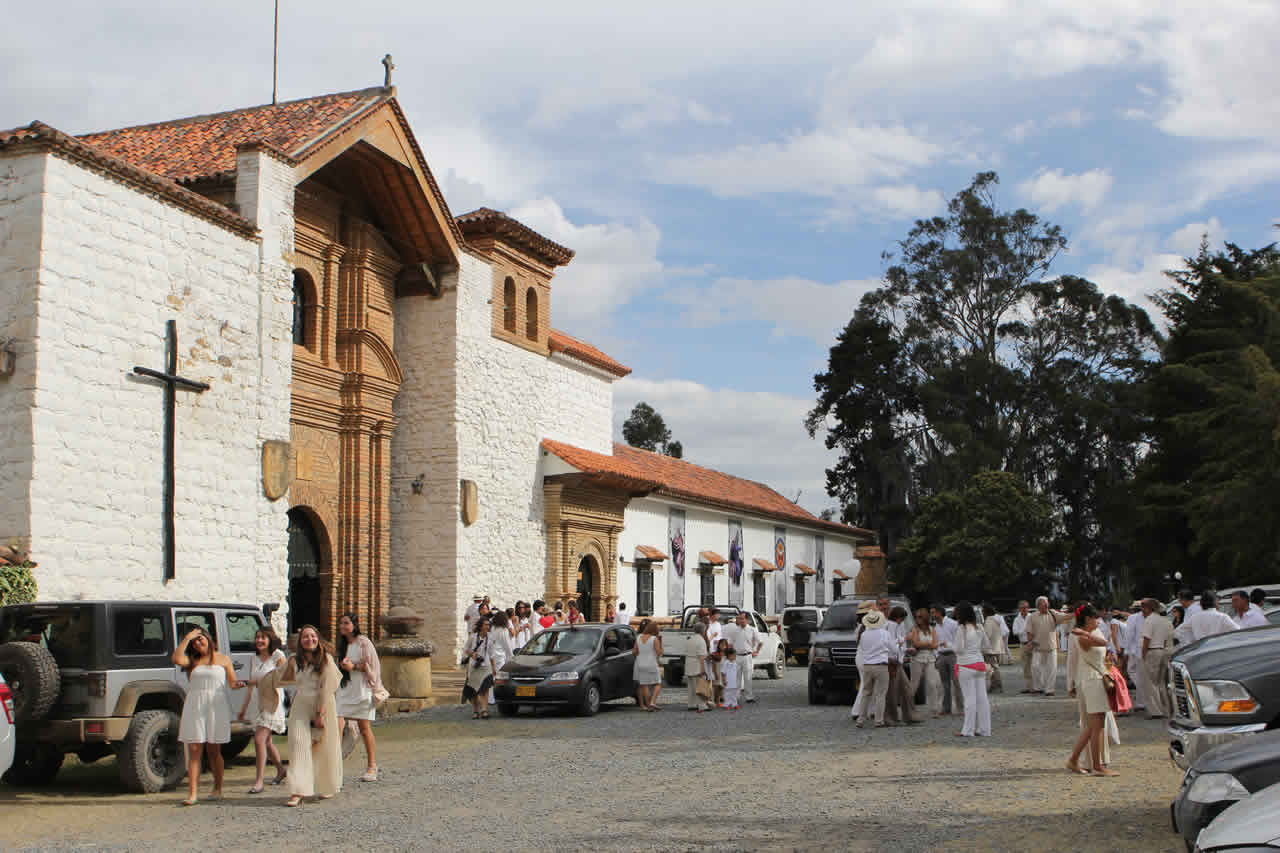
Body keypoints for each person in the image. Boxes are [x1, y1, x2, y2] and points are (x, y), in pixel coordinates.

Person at [269, 624, 342, 806]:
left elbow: (327, 687)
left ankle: (326, 785)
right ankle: (298, 790)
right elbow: (278, 677)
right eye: (305, 637)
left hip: (323, 704)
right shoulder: (295, 660)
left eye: (313, 636)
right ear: (300, 642)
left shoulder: (326, 659)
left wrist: (320, 713)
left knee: (325, 747)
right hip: (301, 704)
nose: (310, 640)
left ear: (318, 639)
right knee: (298, 745)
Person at [172, 627, 241, 805]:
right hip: (195, 704)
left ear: (209, 639)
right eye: (195, 641)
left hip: (216, 704)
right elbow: (176, 658)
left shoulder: (224, 659)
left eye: (200, 639)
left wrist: (239, 684)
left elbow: (232, 683)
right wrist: (187, 637)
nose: (198, 642)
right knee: (194, 749)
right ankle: (192, 793)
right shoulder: (192, 661)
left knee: (214, 750)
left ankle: (217, 788)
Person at [1065, 605, 1118, 777]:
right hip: (1091, 680)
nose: (1098, 621)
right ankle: (1096, 765)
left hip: (1095, 677)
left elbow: (1103, 647)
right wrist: (1086, 633)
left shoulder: (1090, 633)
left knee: (1093, 726)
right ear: (1088, 619)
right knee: (1096, 726)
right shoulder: (1081, 636)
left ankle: (1074, 759)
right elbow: (1103, 643)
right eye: (1095, 618)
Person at [237, 627, 287, 793]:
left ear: (270, 639)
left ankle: (259, 781)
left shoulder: (278, 656)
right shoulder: (254, 658)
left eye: (263, 637)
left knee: (259, 740)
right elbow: (252, 684)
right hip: (256, 703)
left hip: (272, 702)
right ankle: (281, 769)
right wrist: (243, 708)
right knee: (267, 741)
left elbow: (287, 678)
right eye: (257, 637)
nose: (259, 640)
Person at [335, 612, 383, 782]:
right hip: (345, 689)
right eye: (341, 623)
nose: (343, 626)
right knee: (337, 723)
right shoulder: (342, 645)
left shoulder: (364, 642)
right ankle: (334, 765)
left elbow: (372, 665)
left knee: (364, 728)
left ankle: (372, 766)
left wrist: (353, 666)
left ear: (354, 625)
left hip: (362, 690)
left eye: (346, 623)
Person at [952, 602, 991, 737]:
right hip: (980, 664)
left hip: (966, 665)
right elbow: (987, 646)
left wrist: (949, 645)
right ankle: (984, 729)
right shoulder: (979, 627)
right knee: (982, 698)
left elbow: (959, 649)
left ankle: (968, 730)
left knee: (969, 699)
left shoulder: (961, 629)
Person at [1026, 596, 1072, 696]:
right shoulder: (1032, 616)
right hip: (1037, 647)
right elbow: (1029, 631)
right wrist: (1030, 642)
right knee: (1035, 667)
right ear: (1038, 606)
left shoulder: (1053, 613)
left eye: (1047, 603)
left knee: (1051, 669)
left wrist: (1079, 612)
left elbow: (1065, 616)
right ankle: (1038, 687)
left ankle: (1049, 690)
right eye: (1044, 603)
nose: (1047, 605)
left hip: (1051, 647)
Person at [854, 609, 891, 728]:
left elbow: (863, 649)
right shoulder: (885, 633)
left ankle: (861, 719)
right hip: (881, 666)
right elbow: (892, 649)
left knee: (866, 693)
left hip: (867, 666)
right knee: (880, 694)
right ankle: (878, 720)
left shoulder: (864, 634)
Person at [1140, 599, 1173, 720]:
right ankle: (1166, 709)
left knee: (1150, 682)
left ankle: (1155, 711)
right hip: (1162, 650)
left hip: (1151, 651)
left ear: (1149, 609)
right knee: (1161, 683)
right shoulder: (1164, 620)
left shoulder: (1149, 620)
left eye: (1143, 608)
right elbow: (1165, 639)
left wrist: (1143, 655)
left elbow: (1146, 639)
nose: (1142, 611)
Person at [906, 608, 942, 717]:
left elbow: (936, 644)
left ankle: (934, 709)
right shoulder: (915, 629)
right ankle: (909, 708)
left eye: (920, 617)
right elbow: (916, 643)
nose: (917, 619)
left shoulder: (932, 629)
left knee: (932, 683)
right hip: (917, 659)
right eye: (916, 617)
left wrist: (924, 644)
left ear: (925, 618)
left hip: (930, 658)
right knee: (914, 684)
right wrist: (928, 644)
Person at [884, 606, 917, 724]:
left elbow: (899, 645)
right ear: (897, 617)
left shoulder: (899, 626)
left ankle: (909, 716)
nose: (902, 621)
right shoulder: (888, 626)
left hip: (898, 661)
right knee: (892, 691)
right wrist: (904, 639)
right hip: (892, 661)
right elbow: (891, 644)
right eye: (901, 618)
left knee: (906, 689)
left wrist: (906, 650)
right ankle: (891, 717)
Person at [931, 604, 963, 713]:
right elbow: (934, 643)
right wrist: (937, 657)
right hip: (941, 656)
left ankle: (961, 707)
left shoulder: (952, 624)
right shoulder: (935, 627)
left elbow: (958, 640)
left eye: (933, 612)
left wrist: (949, 645)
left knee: (957, 682)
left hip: (953, 655)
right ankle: (946, 708)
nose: (932, 615)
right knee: (944, 683)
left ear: (939, 612)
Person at [724, 612, 762, 704]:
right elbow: (730, 643)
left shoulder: (752, 630)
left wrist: (756, 651)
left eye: (742, 618)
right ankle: (736, 696)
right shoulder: (735, 631)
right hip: (737, 656)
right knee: (736, 677)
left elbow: (760, 642)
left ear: (747, 620)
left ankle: (749, 696)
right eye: (739, 618)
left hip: (747, 656)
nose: (740, 620)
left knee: (748, 677)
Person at [461, 617, 494, 719]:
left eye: (488, 625)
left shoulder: (490, 638)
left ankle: (484, 710)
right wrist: (473, 655)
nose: (487, 627)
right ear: (480, 626)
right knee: (473, 690)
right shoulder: (473, 637)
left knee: (485, 689)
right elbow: (466, 649)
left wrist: (494, 668)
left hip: (486, 666)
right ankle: (475, 710)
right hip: (474, 667)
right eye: (485, 625)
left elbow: (492, 654)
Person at [1120, 601, 1147, 713]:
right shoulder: (1147, 617)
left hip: (1134, 650)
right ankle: (1141, 700)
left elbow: (1129, 634)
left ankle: (1142, 696)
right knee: (1141, 674)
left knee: (1132, 672)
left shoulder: (1132, 618)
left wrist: (1126, 650)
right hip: (1146, 649)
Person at [633, 621, 663, 711]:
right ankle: (652, 702)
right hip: (651, 663)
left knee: (644, 685)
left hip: (640, 663)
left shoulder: (638, 637)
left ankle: (647, 705)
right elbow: (658, 653)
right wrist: (661, 647)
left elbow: (634, 651)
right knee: (658, 684)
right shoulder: (654, 639)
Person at [684, 622, 711, 713]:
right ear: (703, 630)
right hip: (697, 664)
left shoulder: (690, 639)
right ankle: (702, 705)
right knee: (700, 686)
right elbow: (701, 657)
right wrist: (703, 670)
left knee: (691, 686)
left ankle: (691, 704)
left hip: (688, 663)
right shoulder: (701, 641)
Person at [982, 605, 1006, 694]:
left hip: (990, 649)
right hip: (997, 647)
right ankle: (994, 686)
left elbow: (987, 635)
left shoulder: (989, 621)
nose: (982, 613)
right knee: (995, 667)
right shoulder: (997, 620)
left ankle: (998, 686)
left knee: (993, 668)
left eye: (983, 611)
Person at [1011, 601, 1032, 693]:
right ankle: (1029, 687)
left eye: (1026, 607)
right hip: (1023, 644)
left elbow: (1034, 630)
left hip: (1032, 643)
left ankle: (1037, 686)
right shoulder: (1017, 619)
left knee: (1036, 665)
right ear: (1019, 609)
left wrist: (1023, 630)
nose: (1024, 609)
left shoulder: (1032, 617)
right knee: (1026, 666)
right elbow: (1015, 631)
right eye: (1022, 608)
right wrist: (1026, 630)